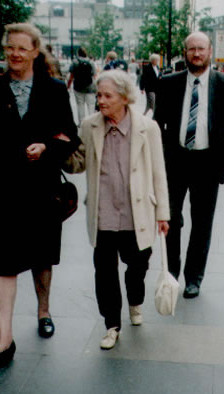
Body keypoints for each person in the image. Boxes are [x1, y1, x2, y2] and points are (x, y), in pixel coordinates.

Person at [0, 23, 80, 369]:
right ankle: (4, 340)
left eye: (21, 48)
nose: (14, 54)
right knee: (6, 263)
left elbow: (69, 137)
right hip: (4, 190)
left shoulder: (55, 89)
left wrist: (46, 146)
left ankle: (43, 310)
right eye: (9, 48)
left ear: (34, 51)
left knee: (42, 257)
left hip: (43, 189)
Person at [65, 70, 170, 350]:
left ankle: (135, 301)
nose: (100, 101)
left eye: (107, 96)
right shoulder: (89, 126)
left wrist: (163, 214)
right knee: (105, 272)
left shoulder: (148, 128)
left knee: (137, 267)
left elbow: (159, 172)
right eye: (98, 95)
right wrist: (61, 149)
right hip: (104, 212)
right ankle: (112, 324)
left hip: (138, 214)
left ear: (125, 98)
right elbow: (78, 164)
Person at [154, 32, 224, 299]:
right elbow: (157, 124)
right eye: (191, 49)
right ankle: (172, 274)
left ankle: (194, 278)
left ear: (210, 50)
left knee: (202, 224)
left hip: (207, 163)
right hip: (175, 161)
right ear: (185, 51)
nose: (196, 54)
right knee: (171, 220)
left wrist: (222, 161)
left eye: (201, 48)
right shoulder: (169, 83)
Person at [67, 47, 96, 126]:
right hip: (90, 87)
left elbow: (71, 76)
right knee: (91, 105)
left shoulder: (75, 62)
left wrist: (68, 86)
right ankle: (92, 122)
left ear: (78, 53)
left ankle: (81, 123)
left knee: (80, 105)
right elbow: (95, 76)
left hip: (78, 87)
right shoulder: (91, 62)